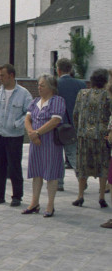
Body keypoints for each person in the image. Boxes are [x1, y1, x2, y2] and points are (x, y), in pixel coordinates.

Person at [0, 64, 33, 207]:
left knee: (14, 166)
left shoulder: (24, 93)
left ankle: (17, 196)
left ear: (11, 75)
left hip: (14, 137)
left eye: (2, 75)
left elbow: (29, 113)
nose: (0, 78)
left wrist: (17, 124)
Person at [22, 74, 65, 217]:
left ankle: (50, 205)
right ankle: (34, 203)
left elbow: (55, 121)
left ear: (51, 87)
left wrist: (38, 133)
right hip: (36, 142)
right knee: (36, 172)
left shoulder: (57, 101)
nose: (39, 87)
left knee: (51, 174)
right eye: (38, 85)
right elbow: (27, 119)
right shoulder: (35, 102)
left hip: (50, 142)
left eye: (42, 85)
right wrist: (31, 133)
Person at [71, 69, 112, 208]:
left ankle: (80, 195)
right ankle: (101, 196)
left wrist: (79, 129)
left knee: (82, 167)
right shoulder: (108, 96)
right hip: (101, 136)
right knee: (102, 166)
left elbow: (75, 114)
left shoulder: (82, 94)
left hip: (83, 135)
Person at [56, 58, 87, 191]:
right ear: (71, 69)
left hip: (58, 124)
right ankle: (81, 179)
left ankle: (59, 183)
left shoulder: (55, 84)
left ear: (58, 70)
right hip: (75, 125)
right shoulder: (81, 84)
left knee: (57, 156)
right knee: (74, 155)